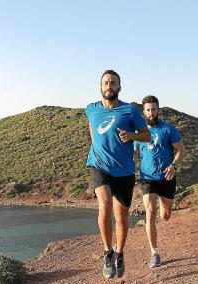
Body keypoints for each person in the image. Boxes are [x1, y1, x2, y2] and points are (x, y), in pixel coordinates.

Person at [85, 70, 151, 279]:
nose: (109, 85)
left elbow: (147, 135)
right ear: (101, 86)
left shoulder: (129, 111)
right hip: (99, 166)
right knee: (104, 205)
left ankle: (120, 254)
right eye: (106, 82)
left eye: (113, 83)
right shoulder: (91, 109)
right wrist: (97, 150)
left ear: (119, 87)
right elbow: (92, 130)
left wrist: (131, 135)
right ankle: (107, 252)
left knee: (121, 218)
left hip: (124, 170)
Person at [134, 95, 186, 268]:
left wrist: (173, 166)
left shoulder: (168, 129)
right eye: (148, 110)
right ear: (144, 111)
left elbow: (180, 151)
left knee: (165, 215)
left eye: (154, 109)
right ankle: (155, 253)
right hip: (147, 178)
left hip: (167, 177)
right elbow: (134, 153)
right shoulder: (139, 133)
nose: (151, 112)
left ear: (158, 109)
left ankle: (167, 210)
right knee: (150, 211)